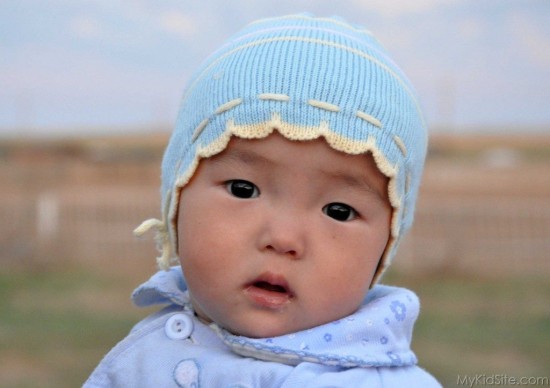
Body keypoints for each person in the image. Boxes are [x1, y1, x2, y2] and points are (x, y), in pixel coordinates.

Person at [85, 14, 440, 387]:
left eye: (339, 211)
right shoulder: (147, 352)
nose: (283, 238)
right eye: (243, 189)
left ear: (385, 247)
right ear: (177, 202)